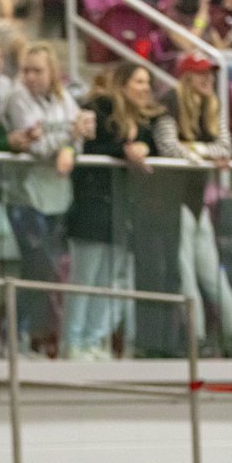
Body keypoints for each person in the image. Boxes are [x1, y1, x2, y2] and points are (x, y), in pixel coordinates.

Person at [66, 62, 161, 360]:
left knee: (111, 279)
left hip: (123, 209)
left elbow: (152, 144)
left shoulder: (143, 120)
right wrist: (124, 151)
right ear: (122, 83)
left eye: (148, 82)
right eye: (139, 82)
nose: (145, 88)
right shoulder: (99, 108)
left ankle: (95, 339)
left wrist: (144, 148)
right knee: (86, 277)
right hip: (92, 204)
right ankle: (73, 341)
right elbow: (89, 148)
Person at [2, 42, 91, 356]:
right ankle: (13, 337)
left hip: (56, 197)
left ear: (52, 71)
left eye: (37, 70)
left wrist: (67, 146)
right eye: (26, 70)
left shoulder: (64, 98)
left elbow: (79, 141)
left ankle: (34, 339)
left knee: (48, 272)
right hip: (26, 196)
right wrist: (70, 136)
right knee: (37, 267)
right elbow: (35, 147)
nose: (30, 76)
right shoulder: (18, 97)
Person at [155, 52, 232, 357]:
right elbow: (168, 147)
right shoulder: (169, 103)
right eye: (201, 74)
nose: (208, 80)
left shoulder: (212, 107)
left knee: (212, 274)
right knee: (186, 274)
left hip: (197, 202)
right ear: (187, 76)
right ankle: (198, 338)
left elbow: (225, 147)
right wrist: (203, 153)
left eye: (210, 74)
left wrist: (194, 149)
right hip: (173, 201)